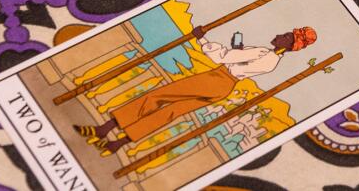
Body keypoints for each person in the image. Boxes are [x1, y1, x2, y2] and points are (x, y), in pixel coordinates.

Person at [79, 26, 316, 153]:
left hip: (217, 78)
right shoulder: (270, 59)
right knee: (171, 112)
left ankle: (106, 129)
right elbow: (237, 59)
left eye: (285, 36)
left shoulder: (266, 55)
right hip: (224, 86)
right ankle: (117, 144)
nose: (278, 35)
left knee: (158, 96)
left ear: (290, 44)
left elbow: (225, 55)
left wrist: (201, 39)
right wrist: (235, 53)